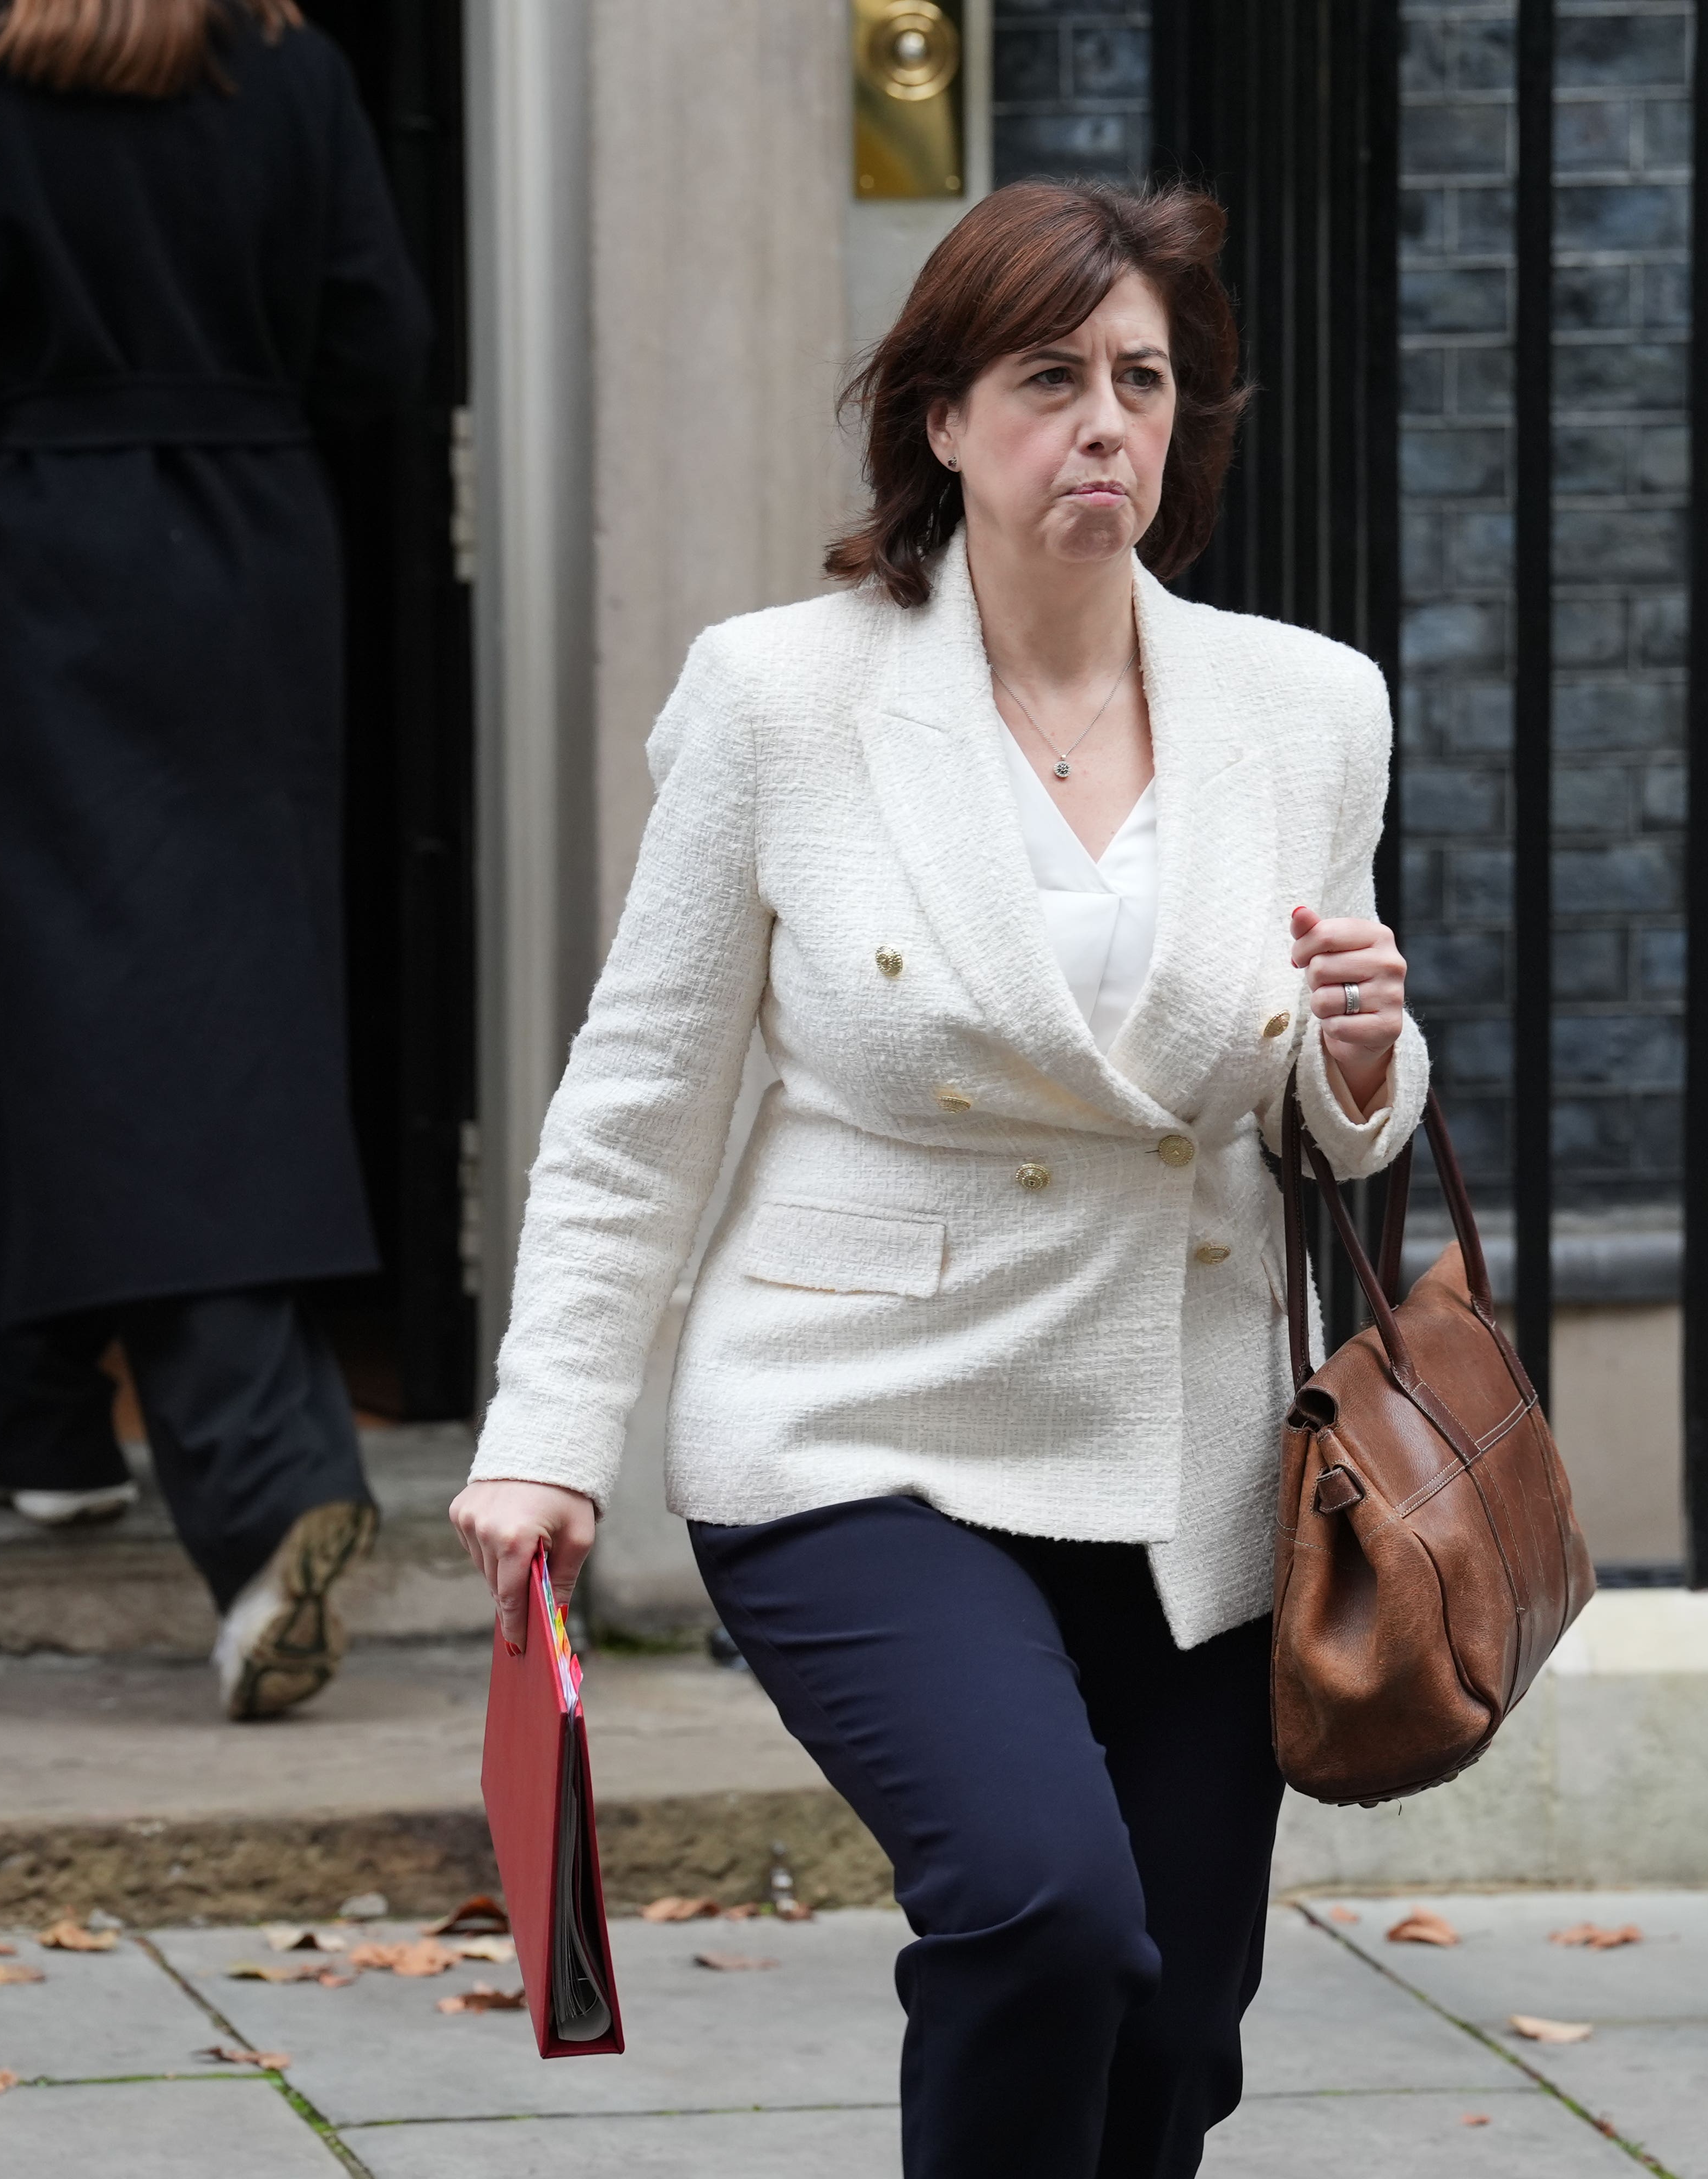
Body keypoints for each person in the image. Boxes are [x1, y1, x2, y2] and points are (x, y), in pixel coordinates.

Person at [450, 181, 1427, 2176]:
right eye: (1051, 378)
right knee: (1048, 1913)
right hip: (857, 1424)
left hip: (1181, 1461)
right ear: (941, 420)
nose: (1106, 425)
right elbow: (644, 1088)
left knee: (1172, 2034)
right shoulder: (782, 699)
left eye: (1144, 382)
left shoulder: (1307, 708)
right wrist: (550, 1429)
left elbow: (1328, 1113)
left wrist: (1360, 1056)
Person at [0, 0, 431, 1718]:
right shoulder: (292, 64)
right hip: (260, 540)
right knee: (77, 974)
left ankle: (271, 1483)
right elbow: (377, 339)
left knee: (126, 1003)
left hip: (47, 544)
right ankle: (9, 1415)